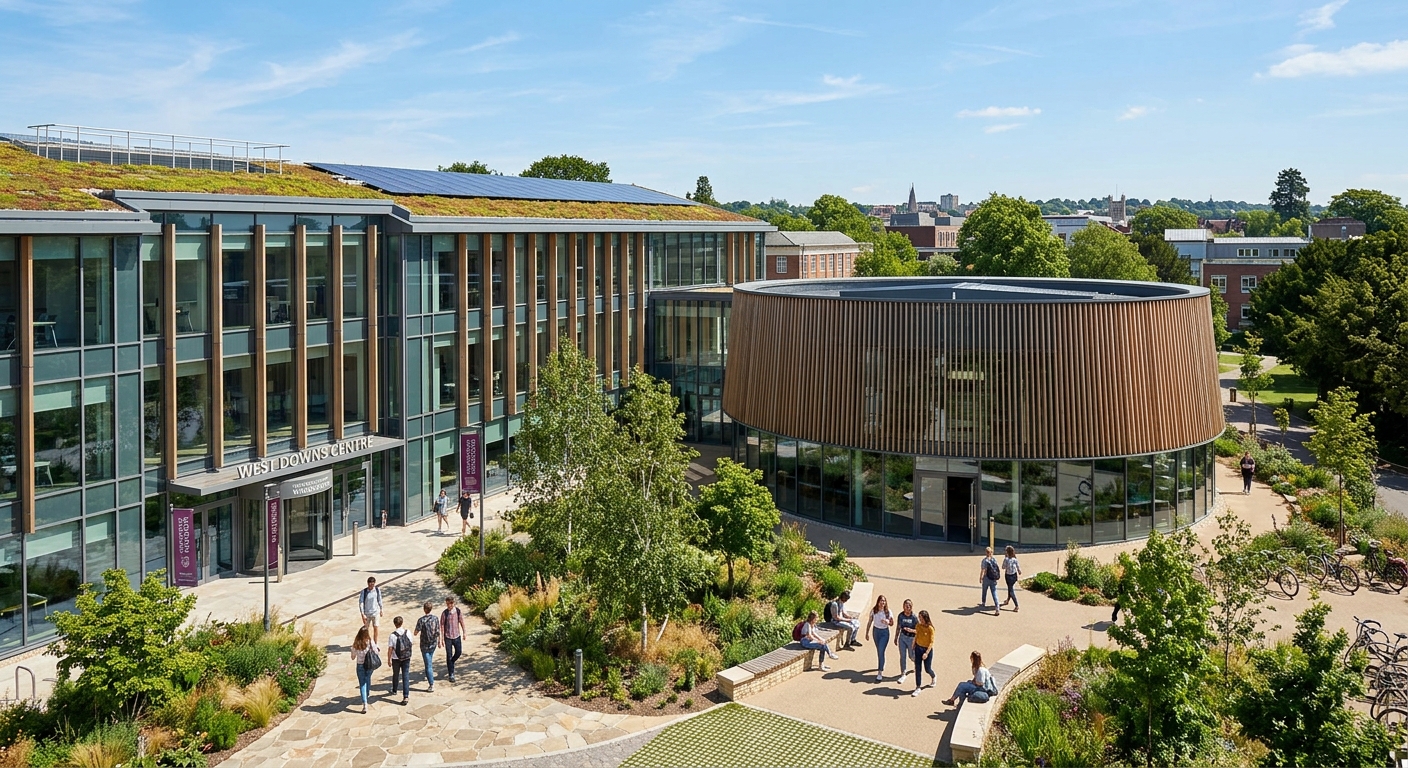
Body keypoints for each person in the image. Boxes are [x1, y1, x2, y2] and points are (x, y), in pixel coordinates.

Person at [413, 601, 441, 692]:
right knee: (430, 661)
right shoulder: (435, 618)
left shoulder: (421, 620)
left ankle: (431, 684)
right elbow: (438, 630)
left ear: (424, 609)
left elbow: (416, 632)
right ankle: (430, 678)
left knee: (428, 665)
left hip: (424, 645)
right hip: (433, 644)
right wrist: (439, 641)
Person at [864, 595, 893, 682]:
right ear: (878, 602)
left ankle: (880, 672)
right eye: (881, 601)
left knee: (881, 650)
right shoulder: (874, 611)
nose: (882, 603)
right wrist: (867, 632)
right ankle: (882, 662)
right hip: (876, 632)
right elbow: (870, 621)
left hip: (884, 632)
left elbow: (892, 623)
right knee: (879, 651)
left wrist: (887, 622)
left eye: (884, 601)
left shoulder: (888, 612)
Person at [350, 626, 378, 714]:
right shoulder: (370, 642)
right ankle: (367, 693)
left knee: (362, 684)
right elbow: (376, 652)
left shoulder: (356, 644)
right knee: (368, 678)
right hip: (369, 664)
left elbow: (353, 657)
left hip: (360, 665)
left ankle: (365, 704)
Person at [909, 610, 936, 696]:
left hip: (926, 650)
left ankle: (933, 676)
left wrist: (926, 653)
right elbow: (917, 635)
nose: (920, 619)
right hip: (918, 648)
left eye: (921, 618)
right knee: (918, 668)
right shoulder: (918, 626)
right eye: (919, 617)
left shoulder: (930, 629)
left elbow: (931, 642)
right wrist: (913, 644)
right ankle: (918, 687)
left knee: (927, 669)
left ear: (925, 618)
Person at [387, 616, 412, 704]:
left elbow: (390, 649)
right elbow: (410, 643)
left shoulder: (392, 636)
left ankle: (394, 690)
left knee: (396, 674)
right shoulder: (408, 632)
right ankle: (406, 696)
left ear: (395, 624)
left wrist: (388, 659)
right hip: (406, 657)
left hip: (396, 658)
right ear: (402, 623)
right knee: (405, 676)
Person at [441, 596, 466, 683]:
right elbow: (442, 625)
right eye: (447, 604)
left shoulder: (458, 611)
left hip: (457, 636)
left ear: (453, 603)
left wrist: (464, 632)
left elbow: (461, 621)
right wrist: (442, 638)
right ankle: (451, 674)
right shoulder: (444, 613)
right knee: (449, 655)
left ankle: (451, 662)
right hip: (447, 637)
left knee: (458, 652)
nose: (448, 606)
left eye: (449, 604)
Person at [895, 599, 918, 681]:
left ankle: (916, 663)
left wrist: (911, 630)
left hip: (911, 638)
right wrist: (896, 637)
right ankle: (903, 673)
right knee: (903, 656)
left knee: (911, 655)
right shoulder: (901, 616)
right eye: (906, 606)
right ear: (903, 606)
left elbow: (918, 631)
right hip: (902, 637)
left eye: (909, 606)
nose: (908, 607)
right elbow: (898, 627)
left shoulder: (914, 617)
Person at [359, 576, 383, 645]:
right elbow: (361, 603)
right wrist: (362, 614)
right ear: (368, 584)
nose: (371, 586)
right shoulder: (364, 592)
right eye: (370, 585)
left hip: (375, 613)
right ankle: (367, 642)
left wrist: (381, 609)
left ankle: (375, 643)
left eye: (373, 584)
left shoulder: (377, 590)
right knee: (366, 629)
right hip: (367, 613)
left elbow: (379, 600)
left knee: (376, 628)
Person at [979, 547, 1001, 616]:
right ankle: (997, 606)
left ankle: (983, 602)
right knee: (994, 592)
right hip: (993, 578)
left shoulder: (985, 561)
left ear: (986, 552)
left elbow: (983, 570)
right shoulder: (994, 560)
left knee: (984, 590)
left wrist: (981, 578)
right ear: (992, 552)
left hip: (986, 578)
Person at [1001, 545, 1022, 613]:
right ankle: (1007, 600)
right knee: (1010, 588)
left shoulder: (1006, 559)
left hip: (1008, 576)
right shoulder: (1014, 559)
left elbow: (1003, 567)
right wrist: (1019, 571)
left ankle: (1016, 605)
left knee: (1011, 591)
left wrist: (1005, 561)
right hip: (1014, 576)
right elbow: (1018, 566)